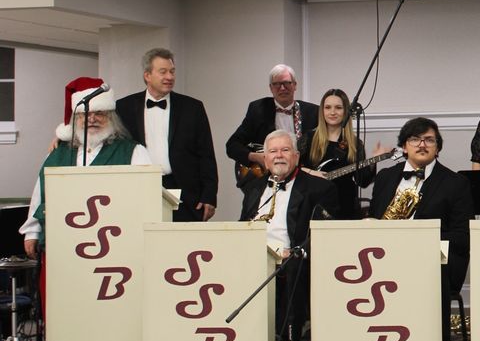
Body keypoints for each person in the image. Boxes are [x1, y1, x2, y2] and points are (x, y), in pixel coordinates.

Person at [369, 117, 472, 341]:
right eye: (415, 139)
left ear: (438, 148)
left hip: (431, 265)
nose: (422, 144)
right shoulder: (384, 178)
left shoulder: (456, 183)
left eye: (429, 139)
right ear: (404, 146)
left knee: (432, 278)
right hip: (384, 262)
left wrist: (419, 243)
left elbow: (462, 237)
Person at [21, 79, 153, 259]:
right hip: (62, 243)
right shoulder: (57, 154)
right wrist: (32, 233)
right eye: (85, 114)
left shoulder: (134, 152)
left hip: (114, 244)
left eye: (99, 113)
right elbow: (40, 195)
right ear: (76, 119)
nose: (92, 119)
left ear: (111, 117)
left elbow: (148, 197)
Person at [238, 130, 336, 341]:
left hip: (292, 259)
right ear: (265, 158)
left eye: (285, 150)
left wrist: (295, 252)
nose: (279, 156)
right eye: (272, 151)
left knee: (293, 268)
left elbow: (326, 234)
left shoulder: (319, 188)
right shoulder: (253, 188)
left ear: (296, 156)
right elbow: (242, 225)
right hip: (253, 257)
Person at [116, 47, 219, 222]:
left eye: (172, 71)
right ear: (147, 75)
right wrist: (62, 137)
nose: (170, 77)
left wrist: (209, 195)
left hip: (184, 191)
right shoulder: (124, 107)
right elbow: (107, 137)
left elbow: (206, 154)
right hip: (140, 188)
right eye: (163, 72)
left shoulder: (193, 108)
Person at [226, 64, 319, 188]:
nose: (282, 88)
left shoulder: (312, 112)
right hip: (266, 180)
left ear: (295, 85)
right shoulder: (258, 110)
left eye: (287, 83)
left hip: (301, 180)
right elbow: (232, 145)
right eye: (276, 84)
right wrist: (255, 157)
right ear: (270, 88)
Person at [297, 88, 376, 220]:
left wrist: (373, 161)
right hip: (313, 204)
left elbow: (362, 181)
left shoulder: (354, 143)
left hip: (345, 206)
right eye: (328, 107)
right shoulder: (309, 138)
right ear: (322, 111)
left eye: (338, 107)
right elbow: (294, 169)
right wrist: (313, 173)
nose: (332, 112)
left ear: (345, 111)